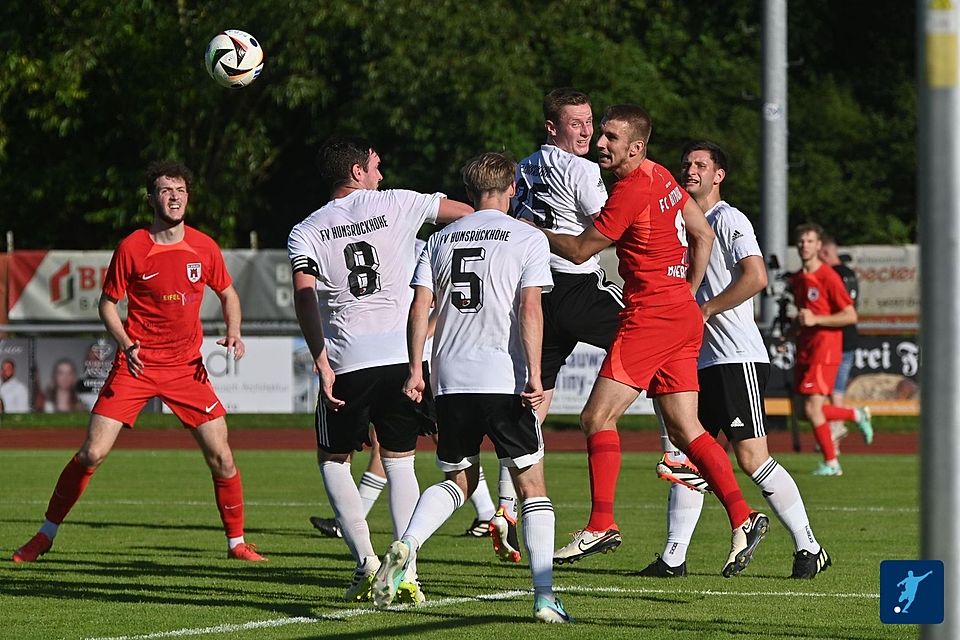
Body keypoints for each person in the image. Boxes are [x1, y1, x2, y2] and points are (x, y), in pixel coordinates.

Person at [541, 105, 768, 578]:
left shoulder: (630, 187)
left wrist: (526, 229)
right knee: (687, 432)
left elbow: (582, 250)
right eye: (599, 135)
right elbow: (702, 233)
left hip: (650, 316)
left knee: (595, 416)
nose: (599, 143)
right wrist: (687, 290)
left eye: (609, 137)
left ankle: (601, 522)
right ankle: (743, 518)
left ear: (636, 146)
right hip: (681, 316)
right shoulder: (661, 174)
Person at [12, 161, 266, 563]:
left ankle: (237, 543)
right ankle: (45, 534)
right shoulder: (133, 246)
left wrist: (234, 331)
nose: (175, 196)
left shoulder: (203, 246)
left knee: (222, 456)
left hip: (187, 369)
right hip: (137, 366)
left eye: (181, 189)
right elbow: (107, 305)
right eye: (166, 190)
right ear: (151, 198)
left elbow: (229, 294)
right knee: (91, 453)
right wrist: (126, 343)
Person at [371, 151, 569, 623]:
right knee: (531, 487)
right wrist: (537, 377)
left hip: (451, 380)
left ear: (468, 194)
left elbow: (419, 308)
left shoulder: (440, 239)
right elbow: (530, 311)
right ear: (513, 190)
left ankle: (407, 545)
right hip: (504, 378)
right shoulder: (527, 237)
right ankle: (544, 598)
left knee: (458, 479)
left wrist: (417, 370)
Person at [288, 135, 472, 603]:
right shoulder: (398, 203)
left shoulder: (306, 229)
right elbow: (470, 217)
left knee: (333, 460)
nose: (381, 175)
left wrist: (320, 358)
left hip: (349, 360)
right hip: (405, 359)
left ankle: (367, 562)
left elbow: (304, 295)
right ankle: (407, 571)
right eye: (375, 166)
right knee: (401, 463)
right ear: (356, 173)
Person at [638, 141, 831, 580]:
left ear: (718, 175)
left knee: (751, 458)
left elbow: (756, 277)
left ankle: (809, 546)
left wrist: (705, 310)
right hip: (696, 359)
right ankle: (673, 558)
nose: (690, 171)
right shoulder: (680, 223)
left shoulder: (728, 218)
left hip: (734, 356)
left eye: (700, 165)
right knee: (689, 457)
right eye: (686, 164)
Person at [487, 88, 626, 563]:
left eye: (590, 122)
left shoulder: (521, 167)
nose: (587, 132)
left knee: (532, 398)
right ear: (552, 127)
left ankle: (506, 505)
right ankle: (678, 451)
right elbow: (606, 227)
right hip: (577, 287)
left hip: (536, 293)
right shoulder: (583, 170)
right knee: (658, 336)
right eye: (576, 124)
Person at [788, 223, 873, 476]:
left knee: (814, 408)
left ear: (819, 246)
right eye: (801, 241)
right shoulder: (800, 278)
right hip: (805, 346)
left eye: (810, 241)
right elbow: (806, 315)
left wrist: (817, 320)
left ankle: (831, 462)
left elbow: (850, 315)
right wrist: (790, 333)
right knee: (804, 411)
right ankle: (856, 415)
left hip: (825, 348)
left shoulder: (828, 276)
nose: (805, 245)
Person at [818, 235, 859, 451]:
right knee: (836, 389)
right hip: (849, 337)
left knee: (833, 391)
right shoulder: (849, 273)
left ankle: (837, 431)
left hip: (836, 337)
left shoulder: (832, 275)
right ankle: (834, 440)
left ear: (824, 251)